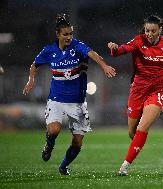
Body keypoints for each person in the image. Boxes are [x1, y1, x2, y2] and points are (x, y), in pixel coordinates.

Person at [23, 13, 116, 175]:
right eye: (65, 34)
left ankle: (63, 166)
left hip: (78, 103)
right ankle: (49, 145)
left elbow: (93, 54)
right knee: (53, 131)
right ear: (58, 34)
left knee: (77, 143)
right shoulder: (49, 50)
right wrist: (31, 80)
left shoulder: (77, 46)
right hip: (56, 100)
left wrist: (104, 66)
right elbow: (34, 65)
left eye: (71, 33)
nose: (69, 37)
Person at [107, 15, 163, 176]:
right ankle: (140, 139)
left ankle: (124, 167)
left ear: (160, 30)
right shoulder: (139, 41)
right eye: (147, 30)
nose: (149, 34)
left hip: (157, 90)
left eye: (153, 31)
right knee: (132, 133)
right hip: (137, 90)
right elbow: (120, 51)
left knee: (142, 127)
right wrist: (114, 48)